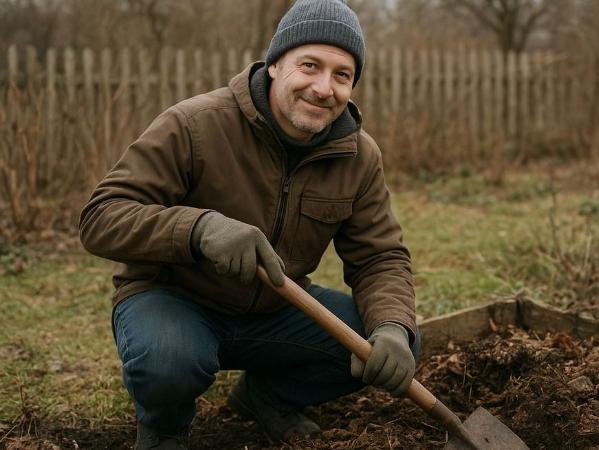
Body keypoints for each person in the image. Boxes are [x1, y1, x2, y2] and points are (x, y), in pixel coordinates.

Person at [78, 1, 419, 449]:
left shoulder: (357, 155)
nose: (324, 88)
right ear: (275, 64)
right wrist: (200, 230)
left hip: (277, 309)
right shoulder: (195, 124)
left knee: (390, 345)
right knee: (169, 363)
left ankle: (267, 399)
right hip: (175, 299)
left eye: (342, 75)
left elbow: (380, 257)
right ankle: (164, 428)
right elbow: (101, 216)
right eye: (310, 65)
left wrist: (394, 326)